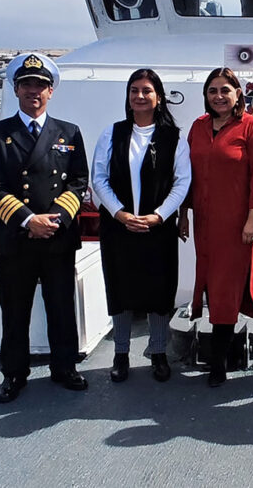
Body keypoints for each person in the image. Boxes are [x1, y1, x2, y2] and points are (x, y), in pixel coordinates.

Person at [0, 53, 89, 403]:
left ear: (51, 91)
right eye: (27, 85)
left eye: (40, 86)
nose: (34, 91)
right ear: (15, 89)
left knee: (60, 306)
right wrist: (29, 220)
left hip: (57, 237)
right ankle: (14, 373)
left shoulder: (68, 132)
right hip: (15, 236)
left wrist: (54, 219)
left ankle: (65, 367)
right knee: (15, 311)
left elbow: (78, 181)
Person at [92, 69, 191, 383]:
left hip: (157, 228)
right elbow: (99, 179)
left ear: (158, 97)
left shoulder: (173, 138)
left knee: (159, 291)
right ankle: (121, 355)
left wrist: (160, 215)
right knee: (120, 290)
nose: (139, 96)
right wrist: (120, 213)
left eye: (146, 90)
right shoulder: (112, 133)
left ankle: (158, 352)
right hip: (118, 228)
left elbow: (182, 182)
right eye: (134, 90)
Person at [179, 67, 253, 387]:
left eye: (225, 90)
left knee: (225, 291)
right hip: (203, 222)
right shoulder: (198, 127)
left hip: (235, 225)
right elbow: (186, 175)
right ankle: (219, 353)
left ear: (237, 95)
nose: (219, 96)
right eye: (212, 90)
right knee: (207, 281)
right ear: (206, 95)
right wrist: (183, 214)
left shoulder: (252, 127)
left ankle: (218, 362)